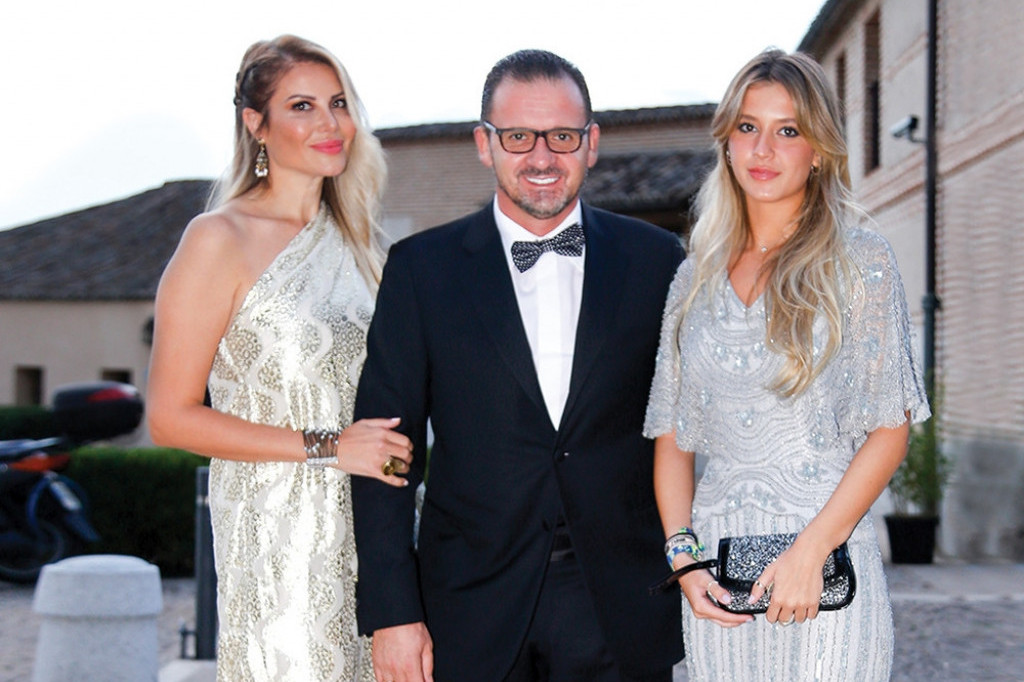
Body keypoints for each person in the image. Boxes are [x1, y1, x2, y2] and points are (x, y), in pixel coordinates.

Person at [351, 50, 685, 681]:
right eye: (518, 137)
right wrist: (393, 612)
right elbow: (386, 452)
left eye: (562, 136)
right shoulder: (421, 270)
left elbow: (685, 423)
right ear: (485, 144)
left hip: (619, 607)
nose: (541, 157)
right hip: (467, 609)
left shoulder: (657, 260)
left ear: (591, 143)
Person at [644, 49, 931, 680]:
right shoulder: (693, 278)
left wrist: (811, 551)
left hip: (828, 569)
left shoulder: (861, 261)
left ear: (819, 150)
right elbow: (672, 438)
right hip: (720, 581)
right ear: (726, 142)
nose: (763, 149)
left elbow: (890, 429)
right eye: (748, 127)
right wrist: (683, 560)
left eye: (788, 130)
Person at [146, 35, 412, 682]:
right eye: (302, 106)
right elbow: (170, 418)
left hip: (376, 533)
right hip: (279, 541)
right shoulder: (218, 239)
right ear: (256, 124)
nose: (329, 123)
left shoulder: (363, 247)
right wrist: (331, 447)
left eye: (338, 103)